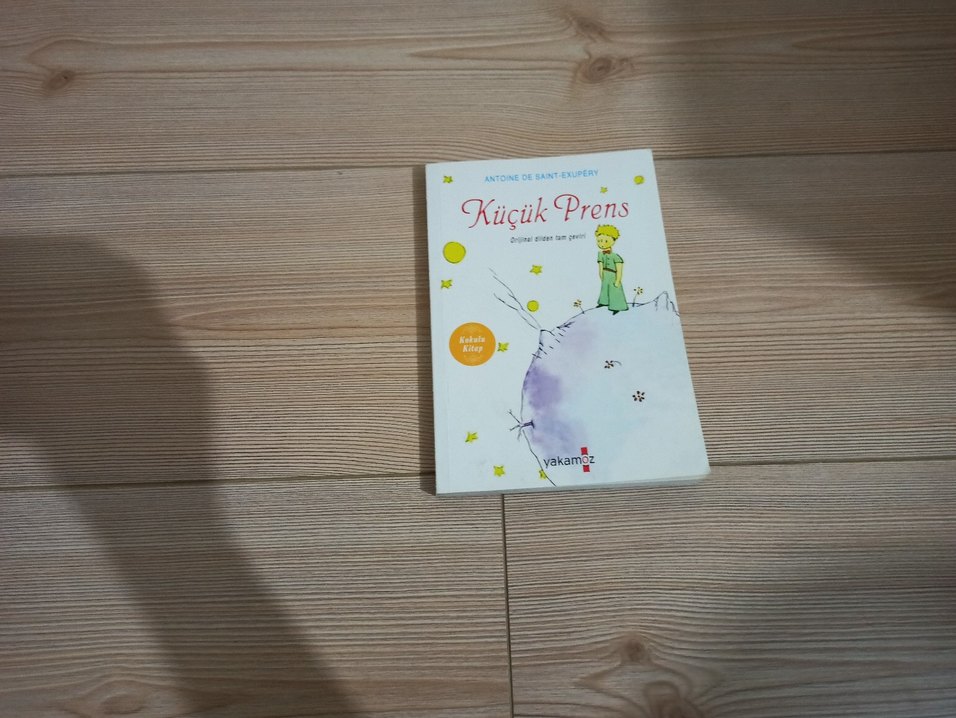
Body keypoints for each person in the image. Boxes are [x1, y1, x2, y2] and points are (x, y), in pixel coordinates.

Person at [595, 224, 628, 313]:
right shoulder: (600, 254)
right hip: (605, 274)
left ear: (613, 240)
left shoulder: (615, 256)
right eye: (599, 241)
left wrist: (618, 280)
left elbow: (619, 269)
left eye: (605, 241)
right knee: (604, 288)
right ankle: (604, 302)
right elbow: (600, 265)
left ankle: (617, 306)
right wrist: (601, 274)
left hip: (613, 275)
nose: (602, 244)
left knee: (615, 289)